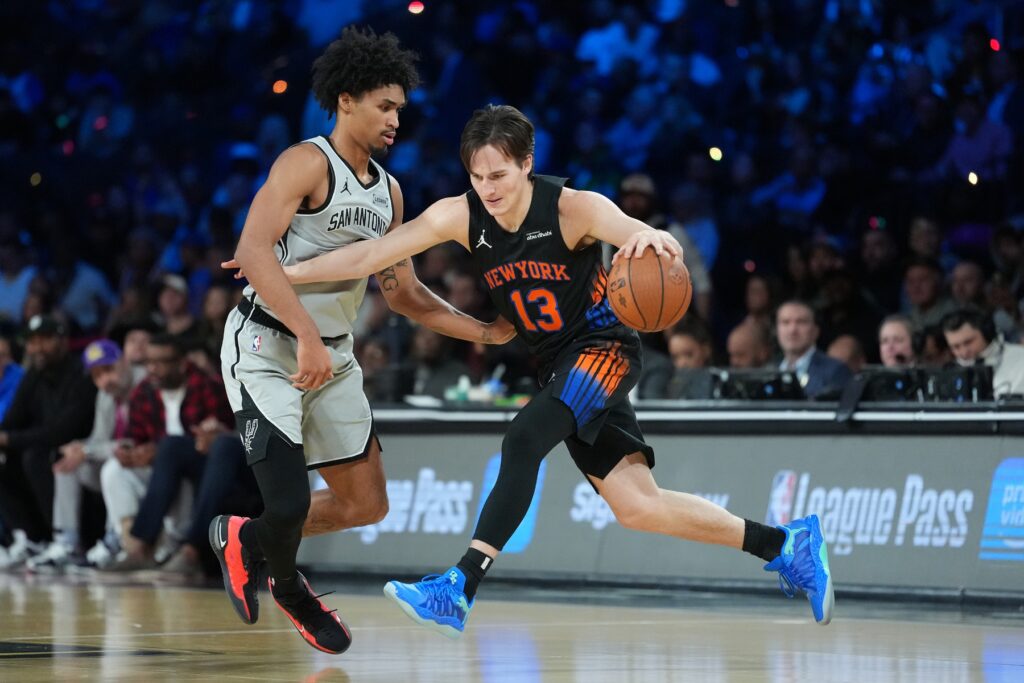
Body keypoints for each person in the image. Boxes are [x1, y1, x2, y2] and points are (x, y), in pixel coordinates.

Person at [258, 104, 835, 636]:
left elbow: (642, 235)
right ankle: (786, 545)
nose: (488, 189)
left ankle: (459, 586)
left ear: (527, 164)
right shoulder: (459, 216)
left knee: (524, 436)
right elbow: (367, 256)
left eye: (499, 176)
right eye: (478, 177)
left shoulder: (571, 208)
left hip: (605, 348)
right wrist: (283, 270)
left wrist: (655, 242)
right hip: (559, 363)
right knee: (639, 506)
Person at [209, 28, 514, 655]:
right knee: (290, 501)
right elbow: (251, 253)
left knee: (367, 503)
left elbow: (401, 292)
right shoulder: (305, 161)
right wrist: (304, 335)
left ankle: (244, 540)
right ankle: (291, 589)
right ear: (345, 100)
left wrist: (482, 330)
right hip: (267, 345)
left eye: (401, 106)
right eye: (385, 104)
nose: (397, 118)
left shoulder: (389, 192)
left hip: (333, 353)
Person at [0, 315, 96, 569]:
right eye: (32, 342)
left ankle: (63, 539)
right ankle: (28, 538)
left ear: (62, 341)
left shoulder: (81, 375)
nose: (37, 348)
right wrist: (4, 436)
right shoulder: (34, 374)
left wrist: (9, 438)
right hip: (43, 448)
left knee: (35, 456)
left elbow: (62, 430)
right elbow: (12, 419)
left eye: (44, 340)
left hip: (76, 449)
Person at [775, 300, 852, 399]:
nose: (792, 330)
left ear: (815, 331)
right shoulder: (767, 370)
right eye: (785, 322)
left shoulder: (836, 371)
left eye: (801, 322)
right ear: (777, 330)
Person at [942, 308, 1024, 397]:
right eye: (956, 347)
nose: (963, 352)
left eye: (968, 342)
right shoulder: (951, 369)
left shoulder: (1020, 358)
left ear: (987, 333)